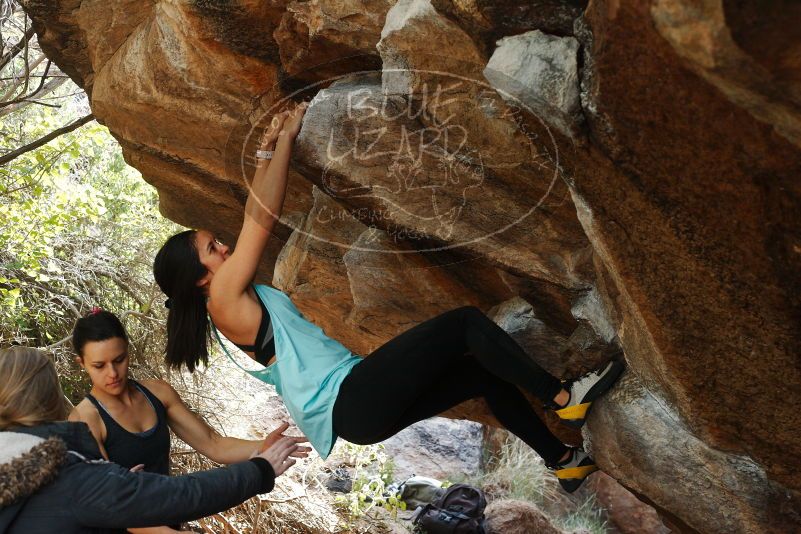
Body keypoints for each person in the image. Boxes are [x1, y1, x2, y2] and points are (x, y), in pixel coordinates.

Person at [153, 102, 625, 493]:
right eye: (213, 249)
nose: (225, 247)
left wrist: (263, 152)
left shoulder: (227, 302)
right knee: (464, 323)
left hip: (358, 410)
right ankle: (564, 397)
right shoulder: (222, 300)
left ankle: (563, 460)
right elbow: (262, 218)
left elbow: (255, 212)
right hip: (350, 399)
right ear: (198, 280)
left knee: (482, 374)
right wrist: (287, 140)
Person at [0, 346, 308, 533]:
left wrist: (114, 485)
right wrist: (261, 469)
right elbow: (181, 494)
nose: (112, 373)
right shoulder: (71, 473)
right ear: (52, 399)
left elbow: (212, 442)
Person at [68, 309, 303, 533]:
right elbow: (109, 504)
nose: (112, 373)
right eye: (99, 366)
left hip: (171, 518)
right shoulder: (84, 421)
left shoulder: (157, 393)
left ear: (127, 351)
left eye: (119, 360)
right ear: (82, 364)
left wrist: (261, 446)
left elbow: (213, 443)